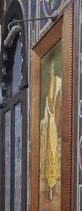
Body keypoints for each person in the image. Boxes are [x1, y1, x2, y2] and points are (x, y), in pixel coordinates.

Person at [42, 60, 62, 201]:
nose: (51, 71)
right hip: (49, 126)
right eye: (50, 69)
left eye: (53, 69)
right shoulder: (49, 91)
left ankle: (52, 188)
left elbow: (56, 108)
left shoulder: (57, 86)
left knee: (53, 153)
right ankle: (49, 189)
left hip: (53, 126)